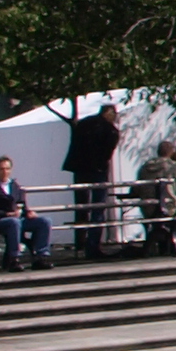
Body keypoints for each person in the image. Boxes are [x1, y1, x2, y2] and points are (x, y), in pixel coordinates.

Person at [0, 157, 54, 272]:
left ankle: (41, 256)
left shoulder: (14, 185)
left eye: (7, 169)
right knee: (13, 222)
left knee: (44, 221)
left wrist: (28, 212)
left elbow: (21, 203)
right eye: (1, 169)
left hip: (18, 218)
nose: (5, 172)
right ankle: (14, 258)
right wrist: (6, 214)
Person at [64, 100, 121, 258]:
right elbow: (107, 154)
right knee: (98, 207)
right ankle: (93, 245)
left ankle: (80, 244)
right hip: (97, 170)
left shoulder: (83, 123)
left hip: (79, 168)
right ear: (109, 113)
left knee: (81, 207)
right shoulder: (110, 130)